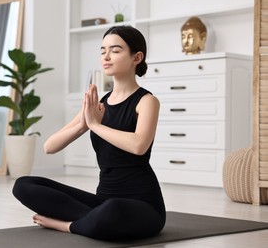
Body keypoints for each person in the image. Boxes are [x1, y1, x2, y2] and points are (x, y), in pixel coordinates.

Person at [12, 25, 166, 241]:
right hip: (103, 201)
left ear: (136, 57)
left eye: (115, 50)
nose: (106, 56)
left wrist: (95, 125)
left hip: (142, 206)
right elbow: (50, 147)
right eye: (103, 50)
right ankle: (93, 221)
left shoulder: (147, 101)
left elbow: (138, 145)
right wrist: (83, 125)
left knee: (113, 210)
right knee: (24, 185)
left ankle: (67, 225)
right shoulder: (98, 105)